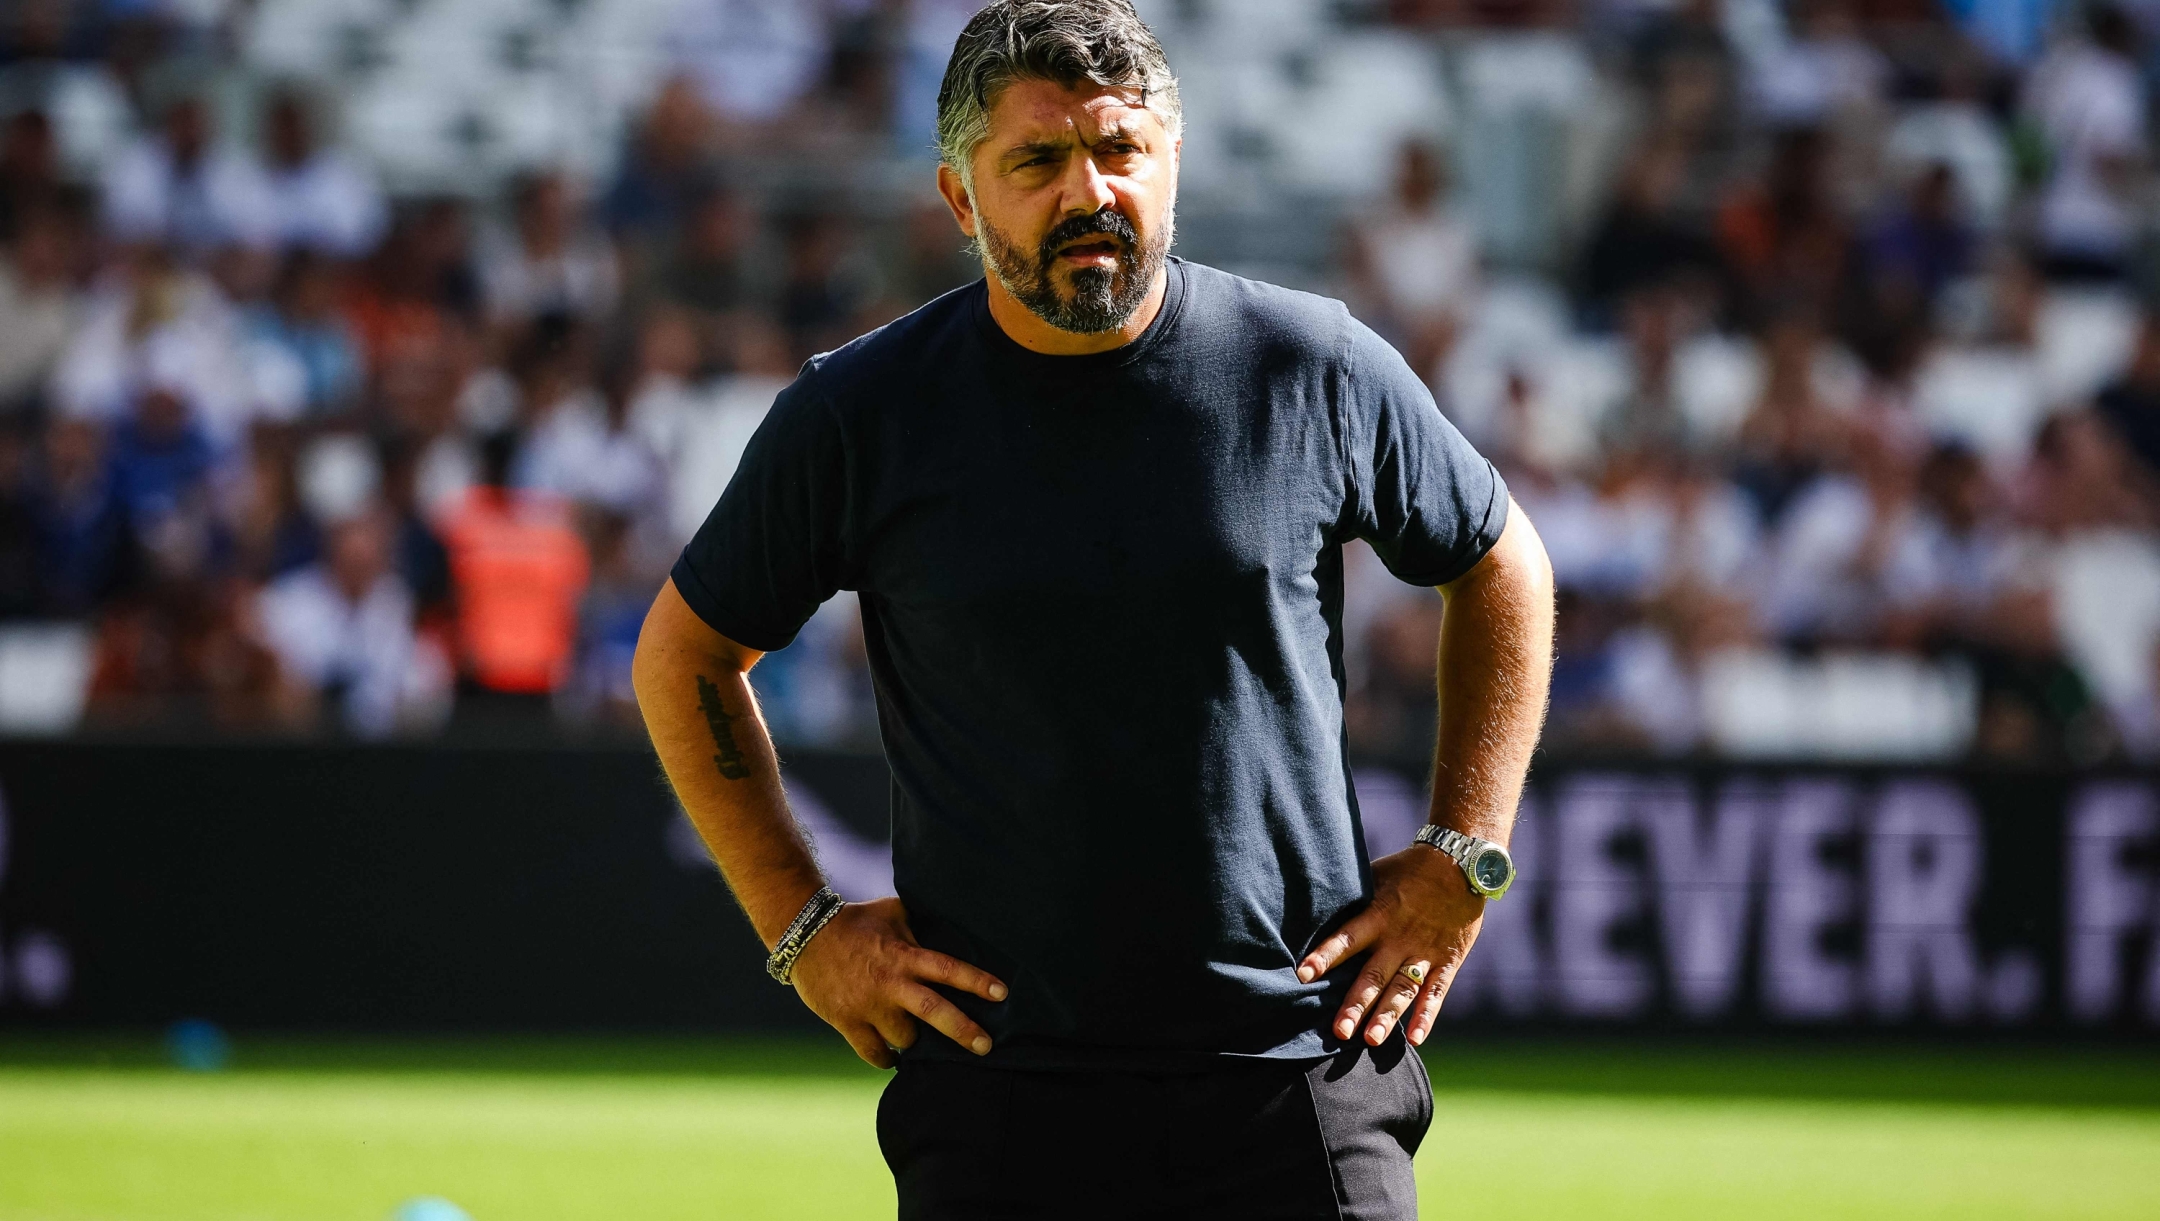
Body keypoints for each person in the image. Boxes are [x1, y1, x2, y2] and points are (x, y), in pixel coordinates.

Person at [631, 4, 1555, 1217]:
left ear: (1174, 164)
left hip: (1296, 1076)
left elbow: (1503, 566)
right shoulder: (861, 415)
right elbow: (687, 652)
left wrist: (1460, 858)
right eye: (1037, 162)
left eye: (1120, 152)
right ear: (962, 201)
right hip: (1000, 1097)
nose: (1089, 192)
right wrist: (802, 931)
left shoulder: (1311, 365)